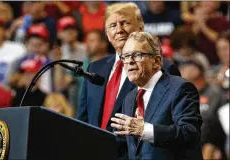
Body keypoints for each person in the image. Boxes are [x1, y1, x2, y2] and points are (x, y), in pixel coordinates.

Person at [77, 2, 181, 158]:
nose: (119, 30)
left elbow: (170, 125)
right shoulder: (94, 68)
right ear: (107, 33)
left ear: (140, 28)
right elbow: (82, 120)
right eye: (112, 25)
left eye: (125, 22)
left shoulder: (161, 67)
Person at [110, 31, 202, 160]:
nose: (129, 61)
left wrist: (145, 130)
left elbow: (189, 134)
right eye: (125, 56)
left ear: (157, 61)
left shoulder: (180, 88)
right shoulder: (129, 99)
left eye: (137, 55)